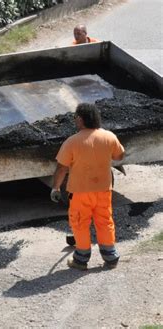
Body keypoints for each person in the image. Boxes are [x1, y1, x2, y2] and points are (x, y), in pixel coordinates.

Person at [50, 103, 125, 270]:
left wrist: (55, 188)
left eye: (76, 117)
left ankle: (81, 259)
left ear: (81, 119)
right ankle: (110, 256)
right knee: (105, 221)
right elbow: (119, 156)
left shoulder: (72, 142)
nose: (75, 120)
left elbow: (62, 167)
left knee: (80, 223)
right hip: (104, 189)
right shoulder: (109, 136)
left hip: (80, 192)